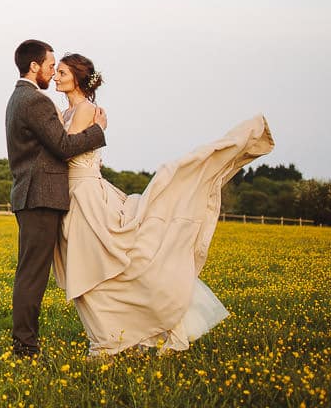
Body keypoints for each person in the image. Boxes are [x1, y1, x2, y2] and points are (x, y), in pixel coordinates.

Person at [50, 53, 274, 356]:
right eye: (56, 71)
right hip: (76, 192)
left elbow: (66, 151)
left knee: (101, 266)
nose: (56, 76)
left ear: (76, 77)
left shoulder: (85, 110)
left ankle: (119, 338)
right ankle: (117, 336)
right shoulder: (68, 113)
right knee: (95, 268)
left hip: (86, 194)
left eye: (61, 72)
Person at [5, 39, 107, 358]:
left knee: (30, 272)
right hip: (40, 196)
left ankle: (25, 343)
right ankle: (26, 347)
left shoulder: (20, 97)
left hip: (34, 195)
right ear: (34, 67)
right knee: (33, 275)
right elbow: (63, 146)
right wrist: (98, 130)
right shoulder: (35, 101)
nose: (53, 71)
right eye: (50, 65)